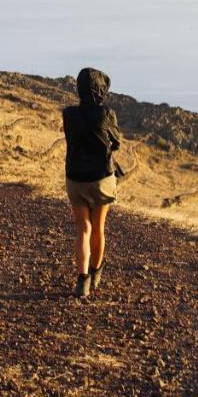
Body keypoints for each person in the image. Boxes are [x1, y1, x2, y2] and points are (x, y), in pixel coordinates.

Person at [62, 67, 124, 299]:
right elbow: (116, 142)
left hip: (75, 178)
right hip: (101, 179)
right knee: (98, 228)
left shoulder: (68, 114)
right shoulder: (106, 113)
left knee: (83, 230)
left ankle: (82, 282)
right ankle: (96, 274)